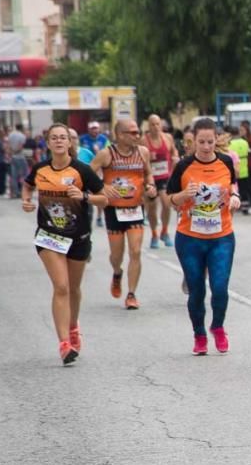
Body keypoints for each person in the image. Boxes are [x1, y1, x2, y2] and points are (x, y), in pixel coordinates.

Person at [21, 123, 107, 364]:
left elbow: (105, 199)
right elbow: (27, 185)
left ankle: (72, 327)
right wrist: (27, 200)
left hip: (77, 238)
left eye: (63, 138)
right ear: (47, 143)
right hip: (49, 237)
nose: (59, 141)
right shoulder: (40, 169)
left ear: (70, 143)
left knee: (74, 289)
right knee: (61, 286)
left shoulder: (82, 170)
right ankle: (64, 344)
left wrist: (85, 197)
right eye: (54, 138)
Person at [166, 119, 240, 355]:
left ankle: (217, 327)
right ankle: (199, 335)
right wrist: (183, 195)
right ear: (193, 141)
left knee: (219, 288)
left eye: (210, 141)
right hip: (190, 238)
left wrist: (235, 197)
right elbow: (169, 199)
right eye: (201, 142)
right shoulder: (184, 166)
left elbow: (233, 186)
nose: (206, 147)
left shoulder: (226, 162)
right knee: (196, 290)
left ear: (216, 140)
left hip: (222, 236)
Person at [91, 119, 157, 309]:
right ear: (120, 135)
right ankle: (117, 272)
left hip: (135, 208)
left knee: (135, 251)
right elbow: (87, 174)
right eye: (133, 133)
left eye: (138, 132)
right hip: (114, 210)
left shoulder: (143, 152)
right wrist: (102, 188)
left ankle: (131, 294)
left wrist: (150, 186)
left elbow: (149, 174)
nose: (137, 136)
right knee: (116, 255)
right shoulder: (106, 155)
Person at [141, 114, 179, 248]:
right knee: (152, 208)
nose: (156, 127)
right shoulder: (143, 141)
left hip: (164, 176)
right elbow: (138, 158)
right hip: (150, 178)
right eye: (153, 124)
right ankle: (154, 234)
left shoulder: (167, 138)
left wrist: (175, 158)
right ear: (148, 126)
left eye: (158, 124)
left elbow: (174, 152)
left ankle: (164, 231)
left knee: (166, 203)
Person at [227, 124, 251, 213]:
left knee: (235, 189)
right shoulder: (244, 142)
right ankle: (245, 207)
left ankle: (237, 205)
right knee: (244, 189)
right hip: (244, 169)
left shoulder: (230, 144)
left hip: (235, 169)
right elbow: (248, 152)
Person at [7, 125, 29, 198]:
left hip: (13, 157)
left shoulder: (10, 135)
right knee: (25, 174)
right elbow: (21, 146)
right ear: (21, 128)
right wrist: (16, 151)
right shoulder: (22, 136)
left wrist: (11, 152)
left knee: (14, 175)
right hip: (20, 157)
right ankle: (24, 190)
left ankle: (16, 192)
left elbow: (9, 145)